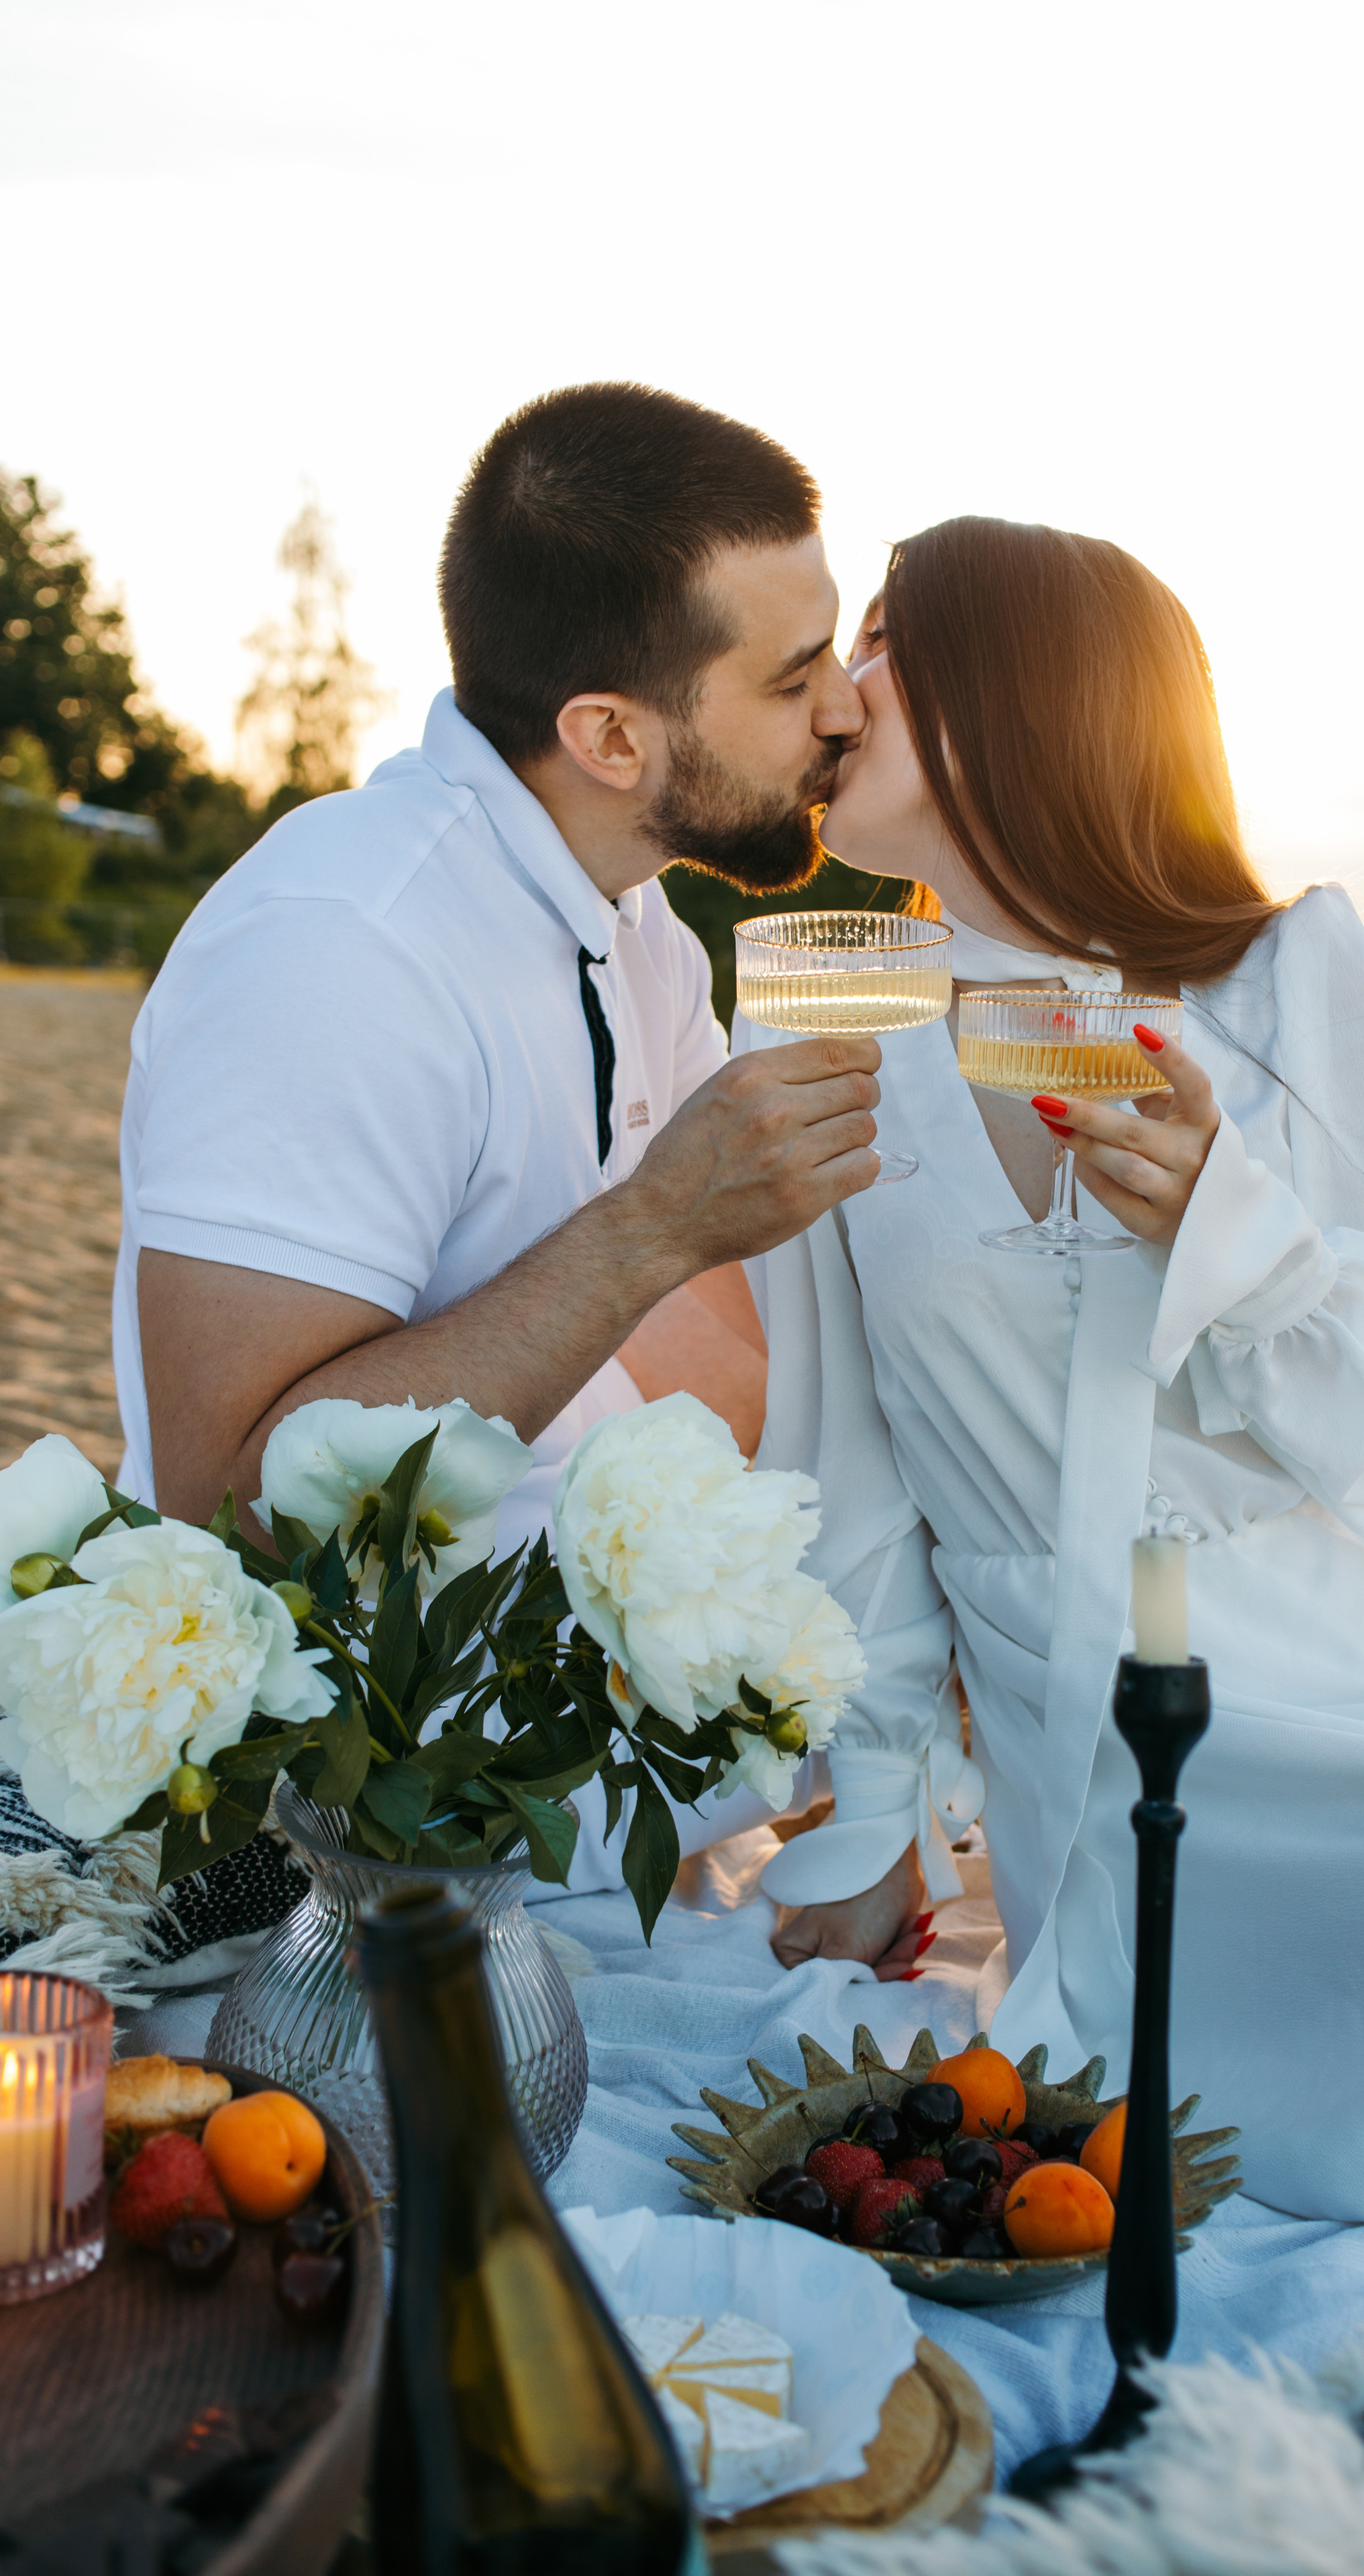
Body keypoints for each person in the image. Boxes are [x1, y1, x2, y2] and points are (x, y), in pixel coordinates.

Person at [747, 513, 1364, 2351]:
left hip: (1363, 1643)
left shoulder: (1282, 974)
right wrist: (877, 1817)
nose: (839, 690)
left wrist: (1230, 1226)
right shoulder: (826, 1003)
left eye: (886, 639)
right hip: (1107, 1737)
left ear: (1023, 695)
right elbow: (848, 1472)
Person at [116, 382, 882, 1861]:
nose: (845, 706)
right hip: (369, 1809)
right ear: (610, 736)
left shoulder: (642, 928)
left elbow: (719, 1358)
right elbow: (229, 1511)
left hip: (591, 1720)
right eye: (795, 679)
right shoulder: (344, 949)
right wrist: (651, 1227)